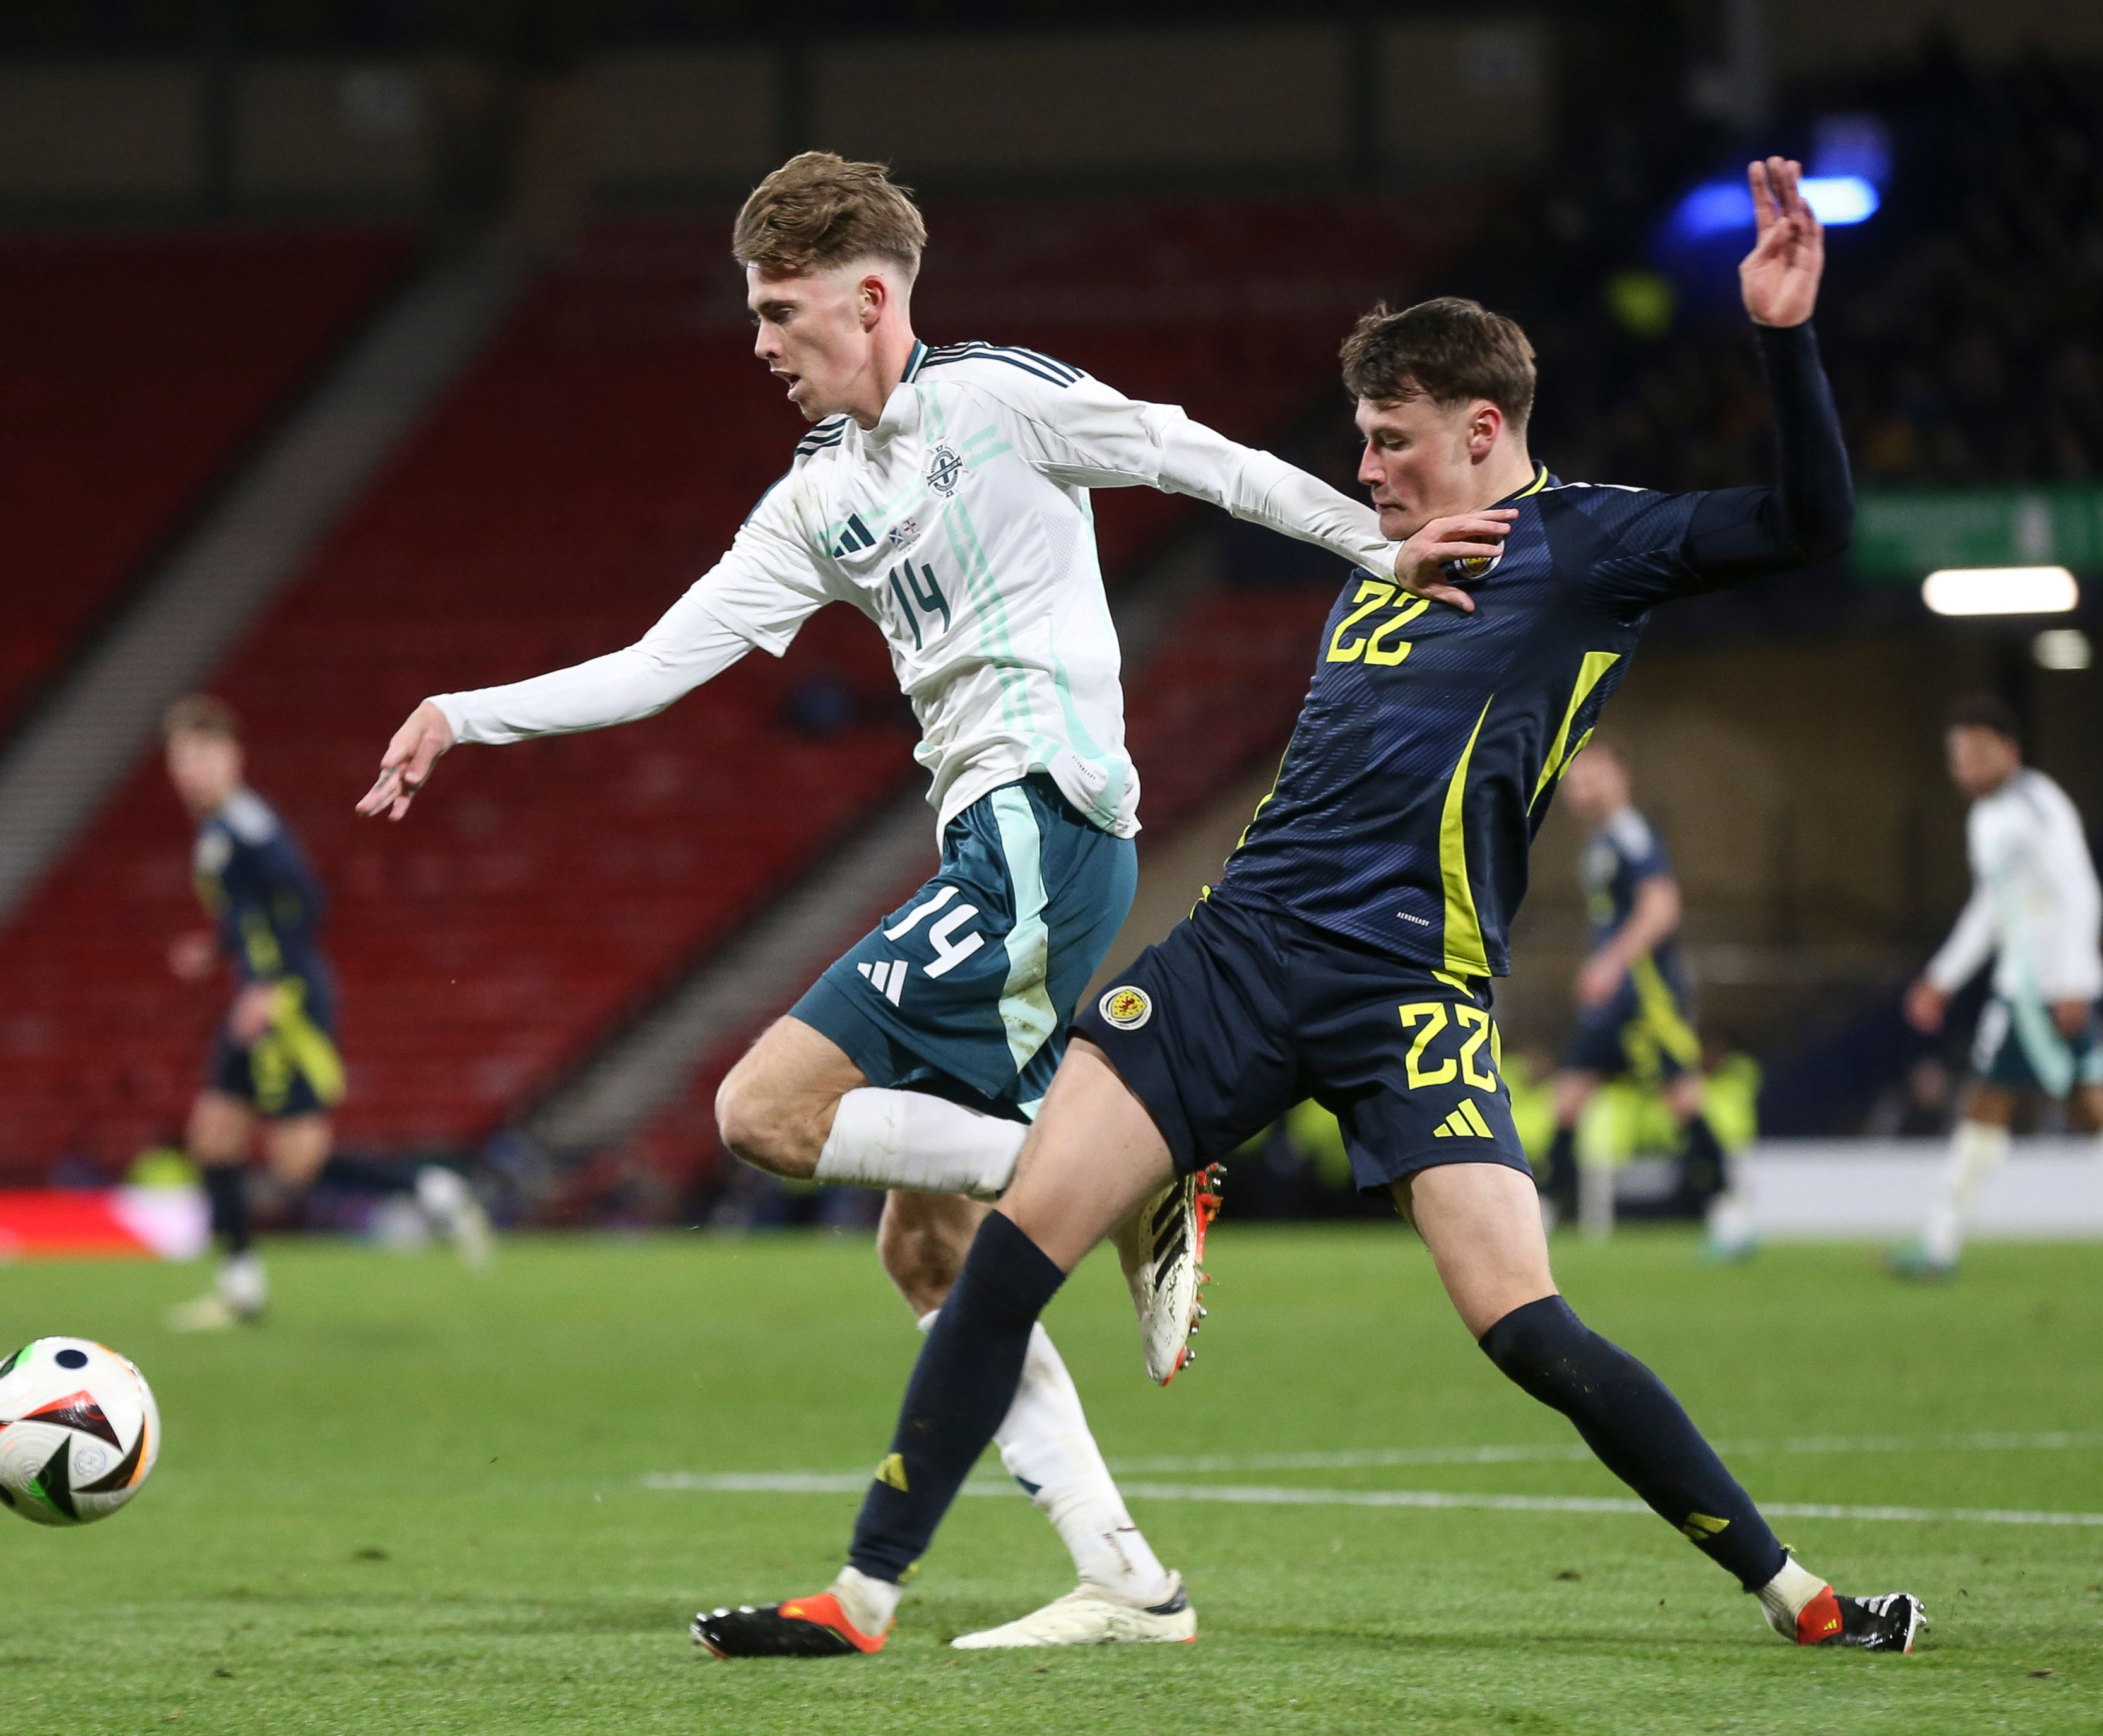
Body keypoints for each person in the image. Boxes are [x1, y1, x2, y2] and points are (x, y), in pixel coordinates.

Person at [691, 159, 1926, 1660]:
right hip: (1241, 955)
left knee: (1523, 1323)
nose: (1369, 472)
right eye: (1359, 442)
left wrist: (1784, 339)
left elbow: (1810, 521)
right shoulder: (1377, 564)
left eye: (1394, 443)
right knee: (1007, 1247)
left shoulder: (1595, 546)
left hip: (1416, 989)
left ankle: (1803, 1602)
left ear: (1485, 432)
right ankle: (864, 1599)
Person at [358, 153, 1472, 1648]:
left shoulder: (1001, 402)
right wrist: (464, 711)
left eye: (779, 309)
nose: (758, 341)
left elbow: (1189, 453)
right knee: (925, 1248)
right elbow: (654, 664)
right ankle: (1127, 1577)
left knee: (760, 1113)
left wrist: (1377, 543)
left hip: (1046, 827)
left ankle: (1126, 1168)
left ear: (868, 297)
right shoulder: (815, 500)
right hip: (995, 849)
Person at [162, 696, 490, 1333]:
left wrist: (261, 984)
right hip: (257, 996)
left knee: (297, 1163)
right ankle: (241, 1288)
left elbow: (304, 902)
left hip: (285, 1002)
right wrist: (217, 948)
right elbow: (251, 911)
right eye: (184, 758)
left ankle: (434, 1191)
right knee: (213, 1136)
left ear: (234, 758)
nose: (193, 770)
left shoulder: (246, 827)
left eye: (205, 755)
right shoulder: (218, 830)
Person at [1895, 698, 2103, 1278]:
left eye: (1980, 752)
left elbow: (2079, 891)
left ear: (2011, 752)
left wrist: (2074, 983)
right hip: (2036, 988)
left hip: (2041, 992)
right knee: (2093, 1104)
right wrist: (1942, 978)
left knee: (1988, 1105)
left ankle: (1938, 1246)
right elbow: (1992, 908)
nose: (1968, 767)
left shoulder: (2037, 805)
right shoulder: (1987, 818)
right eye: (1959, 756)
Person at [1544, 740, 1750, 1253]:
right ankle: (1542, 1211)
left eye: (1594, 777)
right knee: (1568, 1098)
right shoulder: (1600, 842)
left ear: (1622, 777)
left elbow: (1661, 908)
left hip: (1647, 998)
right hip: (1614, 998)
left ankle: (1729, 1210)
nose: (1583, 789)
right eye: (1576, 781)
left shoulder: (1631, 835)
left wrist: (1609, 964)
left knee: (1681, 1099)